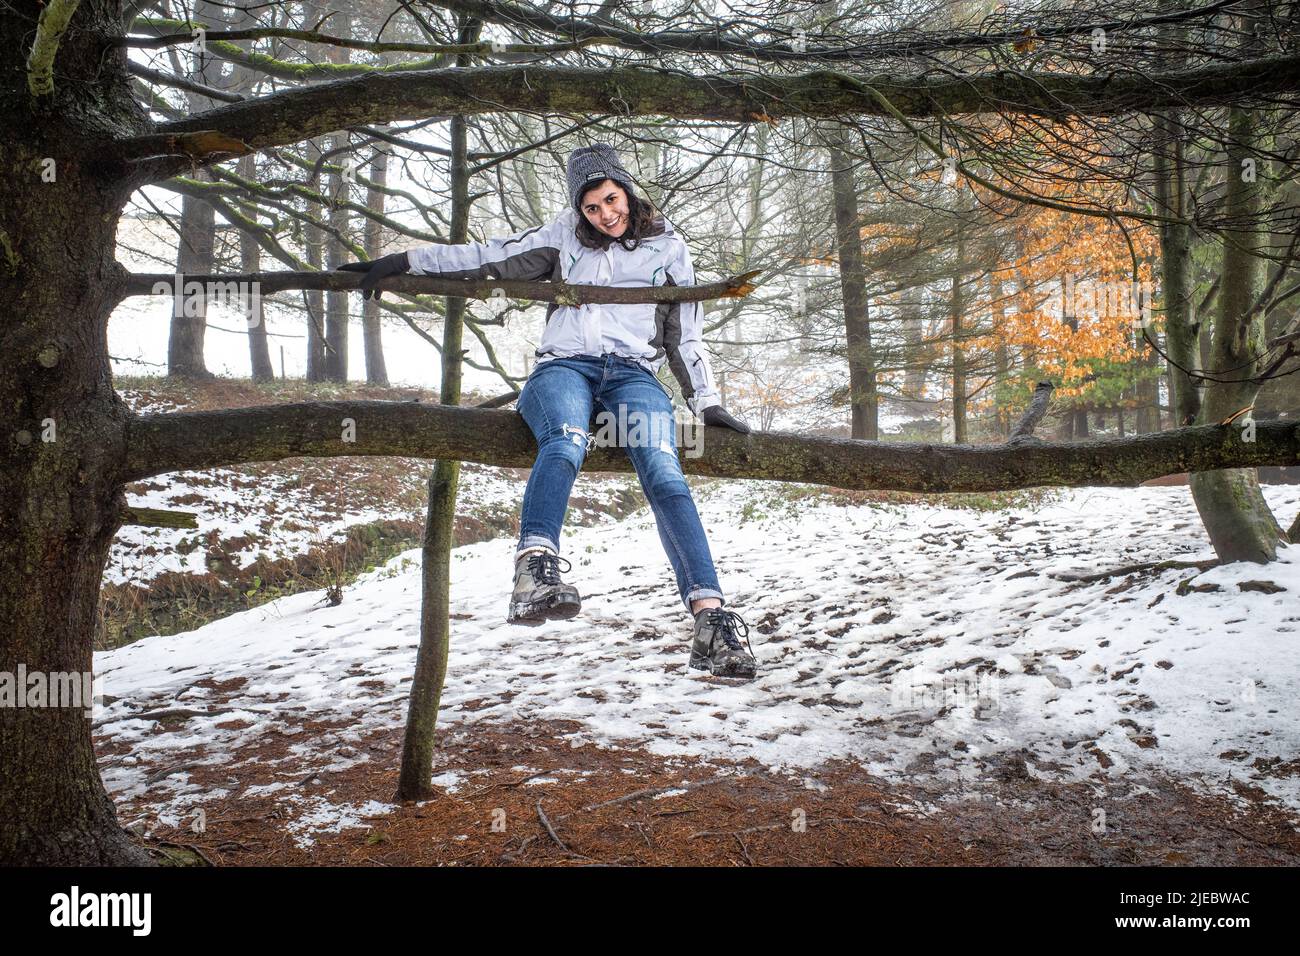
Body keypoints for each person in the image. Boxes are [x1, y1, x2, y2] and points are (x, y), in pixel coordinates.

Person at [340, 143, 757, 678]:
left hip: (633, 374)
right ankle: (533, 572)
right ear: (578, 210)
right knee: (566, 439)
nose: (606, 215)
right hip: (564, 368)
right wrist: (403, 261)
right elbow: (485, 255)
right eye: (592, 207)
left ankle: (711, 620)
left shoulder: (668, 247)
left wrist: (707, 401)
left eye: (612, 199)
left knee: (664, 469)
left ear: (627, 190)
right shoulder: (561, 236)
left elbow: (685, 333)